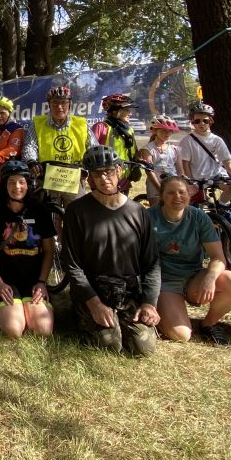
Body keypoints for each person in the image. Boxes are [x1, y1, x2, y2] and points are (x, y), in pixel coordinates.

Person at [62, 144, 161, 356]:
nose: (104, 178)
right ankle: (84, 316)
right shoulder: (77, 212)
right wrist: (94, 303)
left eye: (109, 171)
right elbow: (72, 265)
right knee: (110, 345)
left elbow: (151, 264)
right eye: (97, 174)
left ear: (119, 171)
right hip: (94, 291)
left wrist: (149, 303)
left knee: (143, 348)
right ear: (90, 179)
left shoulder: (138, 212)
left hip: (129, 293)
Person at [149, 176, 231, 344]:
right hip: (164, 281)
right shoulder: (148, 218)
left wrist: (210, 277)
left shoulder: (199, 217)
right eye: (170, 193)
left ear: (189, 194)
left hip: (193, 277)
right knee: (181, 336)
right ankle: (164, 313)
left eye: (182, 192)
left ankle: (209, 324)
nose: (177, 197)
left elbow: (218, 257)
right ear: (162, 196)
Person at [0, 159, 54, 338]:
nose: (17, 186)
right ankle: (17, 309)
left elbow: (49, 251)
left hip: (33, 280)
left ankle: (28, 307)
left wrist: (42, 282)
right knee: (13, 330)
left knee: (43, 330)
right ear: (4, 185)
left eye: (21, 182)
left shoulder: (39, 210)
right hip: (5, 279)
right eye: (11, 182)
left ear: (28, 184)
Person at [31, 85, 93, 207]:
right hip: (47, 177)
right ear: (49, 105)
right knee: (50, 219)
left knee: (77, 215)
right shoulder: (38, 123)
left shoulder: (81, 124)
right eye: (55, 103)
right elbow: (30, 146)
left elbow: (92, 147)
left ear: (69, 104)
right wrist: (31, 160)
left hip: (74, 178)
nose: (59, 107)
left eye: (63, 103)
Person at [176, 100, 231, 203]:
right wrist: (190, 182)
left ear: (210, 121)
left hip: (216, 175)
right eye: (197, 121)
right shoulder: (187, 141)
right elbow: (185, 164)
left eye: (205, 121)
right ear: (192, 122)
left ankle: (221, 207)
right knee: (202, 203)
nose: (201, 124)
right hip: (198, 178)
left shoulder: (217, 140)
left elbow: (227, 160)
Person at [90, 93, 142, 194]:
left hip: (124, 178)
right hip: (105, 178)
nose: (130, 113)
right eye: (127, 110)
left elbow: (134, 151)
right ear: (115, 112)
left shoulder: (129, 130)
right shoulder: (101, 127)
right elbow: (91, 152)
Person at [137, 116, 181, 206]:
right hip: (155, 186)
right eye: (164, 131)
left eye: (170, 131)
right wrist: (159, 188)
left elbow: (180, 170)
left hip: (173, 184)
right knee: (157, 213)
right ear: (154, 131)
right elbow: (149, 171)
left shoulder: (175, 149)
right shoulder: (148, 149)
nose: (167, 134)